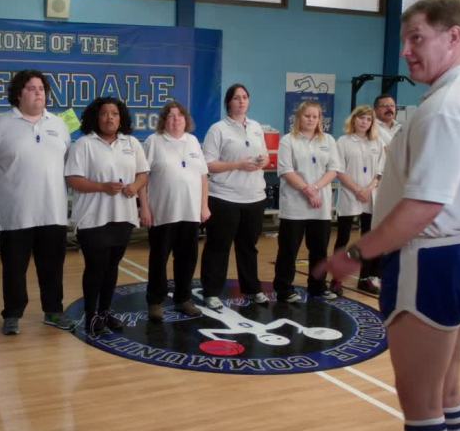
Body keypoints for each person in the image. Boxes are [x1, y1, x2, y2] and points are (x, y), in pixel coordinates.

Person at [320, 0, 460, 431]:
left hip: (432, 259)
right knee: (446, 390)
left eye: (417, 38)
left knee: (421, 401)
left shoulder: (446, 106)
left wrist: (355, 254)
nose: (406, 50)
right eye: (405, 39)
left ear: (454, 36)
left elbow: (425, 204)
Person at [0, 70, 75, 335]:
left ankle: (53, 311)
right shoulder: (1, 125)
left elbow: (67, 164)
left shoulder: (59, 124)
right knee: (14, 269)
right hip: (16, 213)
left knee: (53, 267)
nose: (38, 92)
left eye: (41, 88)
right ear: (18, 94)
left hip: (53, 211)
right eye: (31, 88)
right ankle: (12, 314)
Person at [65, 97, 149, 337]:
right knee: (95, 267)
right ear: (96, 117)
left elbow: (143, 173)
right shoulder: (83, 144)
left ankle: (104, 312)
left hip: (123, 216)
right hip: (92, 218)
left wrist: (135, 186)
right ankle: (91, 316)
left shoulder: (131, 143)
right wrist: (102, 187)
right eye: (104, 113)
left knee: (112, 267)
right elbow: (72, 179)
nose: (109, 118)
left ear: (121, 118)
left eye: (114, 113)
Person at [200, 84, 270, 310]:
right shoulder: (218, 129)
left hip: (254, 197)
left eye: (245, 97)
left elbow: (266, 157)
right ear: (228, 102)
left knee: (248, 246)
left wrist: (263, 161)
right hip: (224, 197)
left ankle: (252, 288)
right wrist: (238, 165)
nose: (241, 101)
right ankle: (211, 292)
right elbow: (208, 164)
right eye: (236, 98)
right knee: (218, 247)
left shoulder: (256, 127)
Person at [139, 101, 210, 321]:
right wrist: (144, 207)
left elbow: (203, 176)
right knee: (159, 259)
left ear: (186, 119)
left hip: (190, 212)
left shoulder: (193, 141)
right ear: (163, 120)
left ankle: (183, 299)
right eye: (170, 116)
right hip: (162, 213)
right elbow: (142, 177)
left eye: (179, 115)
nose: (175, 119)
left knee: (187, 259)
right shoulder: (153, 141)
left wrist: (204, 206)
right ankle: (155, 301)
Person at [272, 100, 342, 303]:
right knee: (288, 250)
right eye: (307, 116)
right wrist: (307, 190)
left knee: (319, 250)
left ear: (320, 119)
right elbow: (286, 170)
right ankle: (284, 289)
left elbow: (334, 169)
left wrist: (316, 188)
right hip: (294, 206)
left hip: (320, 206)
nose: (311, 120)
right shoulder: (288, 140)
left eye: (315, 116)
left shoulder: (328, 140)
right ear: (299, 117)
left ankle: (318, 287)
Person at [331, 105, 384, 296]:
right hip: (349, 194)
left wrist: (368, 189)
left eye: (368, 119)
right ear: (354, 119)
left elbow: (380, 171)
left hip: (370, 195)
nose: (364, 122)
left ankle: (364, 279)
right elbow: (338, 170)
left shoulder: (377, 142)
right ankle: (336, 280)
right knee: (343, 238)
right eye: (361, 118)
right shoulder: (343, 141)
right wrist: (357, 189)